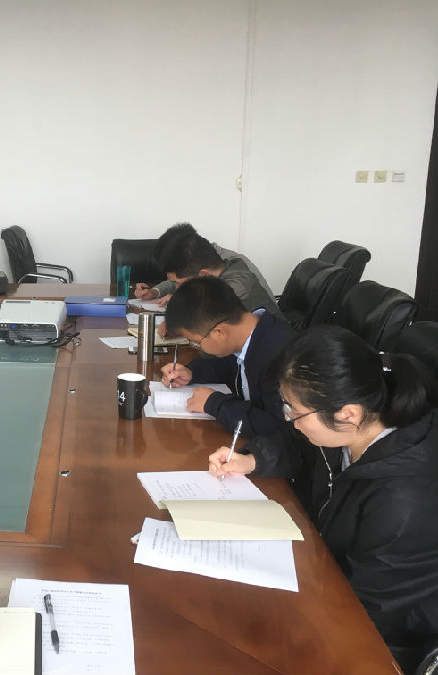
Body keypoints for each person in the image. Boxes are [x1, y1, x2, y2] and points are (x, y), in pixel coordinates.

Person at [208, 326, 437, 673]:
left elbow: (366, 616)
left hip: (381, 640)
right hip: (323, 572)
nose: (291, 422)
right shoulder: (362, 414)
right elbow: (303, 444)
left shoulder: (403, 504)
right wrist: (252, 459)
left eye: (295, 412)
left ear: (348, 414)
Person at [161, 276, 294, 437]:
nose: (196, 346)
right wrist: (192, 373)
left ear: (219, 332)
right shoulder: (246, 336)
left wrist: (216, 405)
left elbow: (281, 428)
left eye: (196, 342)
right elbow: (225, 366)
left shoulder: (283, 358)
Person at [135, 223, 280, 316]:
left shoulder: (237, 284)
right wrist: (156, 291)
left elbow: (207, 324)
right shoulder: (211, 264)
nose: (177, 287)